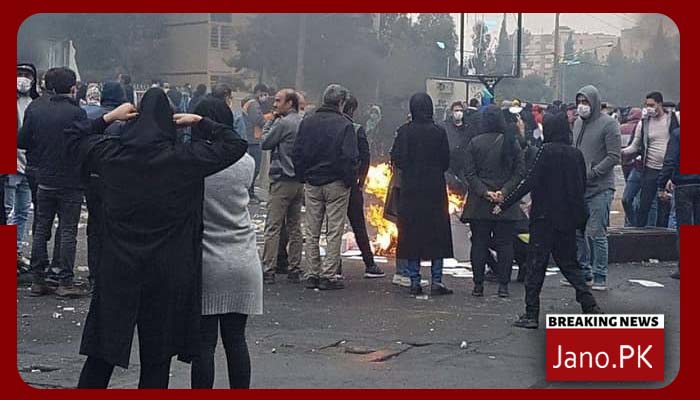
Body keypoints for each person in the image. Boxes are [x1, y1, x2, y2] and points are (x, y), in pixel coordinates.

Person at [69, 88, 248, 389]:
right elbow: (235, 145)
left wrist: (108, 118)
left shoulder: (110, 155)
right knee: (156, 358)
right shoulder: (184, 159)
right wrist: (200, 122)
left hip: (118, 267)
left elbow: (72, 139)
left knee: (102, 352)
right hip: (167, 269)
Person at [494, 113, 603, 329]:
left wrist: (505, 203)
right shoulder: (575, 154)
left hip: (544, 219)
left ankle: (531, 313)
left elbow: (529, 182)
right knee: (570, 264)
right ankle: (589, 304)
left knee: (536, 266)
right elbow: (581, 185)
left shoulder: (545, 152)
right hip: (567, 219)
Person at [189, 96, 262, 389]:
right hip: (243, 259)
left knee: (204, 344)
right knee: (236, 340)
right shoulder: (246, 163)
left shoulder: (194, 162)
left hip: (207, 263)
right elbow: (235, 144)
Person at [18, 67, 89, 299]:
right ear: (72, 88)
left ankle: (38, 280)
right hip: (70, 179)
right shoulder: (76, 113)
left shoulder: (35, 108)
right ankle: (64, 280)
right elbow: (83, 143)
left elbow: (22, 140)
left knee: (41, 228)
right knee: (68, 230)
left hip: (43, 177)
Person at [292, 84, 358, 290]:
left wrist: (303, 176)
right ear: (341, 102)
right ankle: (328, 274)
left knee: (312, 230)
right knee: (334, 230)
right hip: (336, 183)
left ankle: (312, 272)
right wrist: (348, 180)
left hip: (312, 181)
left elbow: (297, 152)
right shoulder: (345, 125)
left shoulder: (308, 122)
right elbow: (349, 157)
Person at [391, 93, 454, 296]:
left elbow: (397, 159)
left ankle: (414, 280)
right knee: (437, 233)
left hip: (411, 189)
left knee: (411, 234)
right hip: (434, 189)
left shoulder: (404, 132)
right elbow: (446, 161)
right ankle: (437, 280)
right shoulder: (439, 132)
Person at [461, 105, 525, 298]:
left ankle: (478, 285)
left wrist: (484, 192)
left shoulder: (475, 143)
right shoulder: (511, 141)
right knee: (505, 244)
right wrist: (503, 192)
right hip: (505, 203)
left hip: (479, 203)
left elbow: (469, 173)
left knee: (479, 244)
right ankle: (503, 286)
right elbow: (519, 172)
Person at [572, 85, 621, 291]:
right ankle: (583, 272)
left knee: (595, 233)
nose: (582, 106)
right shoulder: (577, 123)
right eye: (579, 102)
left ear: (594, 102)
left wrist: (593, 173)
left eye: (585, 102)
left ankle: (600, 275)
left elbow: (614, 156)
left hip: (600, 188)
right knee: (577, 232)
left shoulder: (609, 124)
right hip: (579, 187)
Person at [82, 82, 128, 290]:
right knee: (118, 228)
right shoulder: (126, 120)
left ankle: (95, 274)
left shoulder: (90, 116)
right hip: (118, 181)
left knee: (95, 227)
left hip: (92, 179)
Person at [260, 89, 304, 284]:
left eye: (279, 101)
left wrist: (270, 121)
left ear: (290, 103)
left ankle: (268, 269)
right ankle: (295, 268)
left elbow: (265, 142)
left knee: (273, 226)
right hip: (299, 181)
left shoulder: (282, 123)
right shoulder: (303, 122)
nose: (275, 104)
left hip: (282, 180)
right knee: (295, 226)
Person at [342, 95, 385, 278]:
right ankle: (369, 263)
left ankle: (332, 267)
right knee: (358, 225)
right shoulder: (356, 129)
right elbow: (365, 157)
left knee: (332, 227)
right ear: (353, 110)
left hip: (330, 182)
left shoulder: (327, 126)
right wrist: (360, 180)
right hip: (351, 184)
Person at [622, 92, 679, 228]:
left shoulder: (672, 119)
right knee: (644, 205)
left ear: (660, 104)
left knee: (665, 207)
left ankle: (664, 234)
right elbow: (635, 145)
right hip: (650, 169)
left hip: (668, 170)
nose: (649, 108)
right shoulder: (644, 123)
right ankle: (641, 231)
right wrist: (621, 152)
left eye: (652, 105)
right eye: (647, 105)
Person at [10, 63, 40, 270]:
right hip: (10, 164)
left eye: (26, 75)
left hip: (29, 164)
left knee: (22, 211)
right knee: (7, 210)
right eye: (18, 74)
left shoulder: (35, 103)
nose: (22, 79)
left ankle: (16, 251)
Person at [658, 127, 694, 280]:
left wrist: (661, 184)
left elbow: (670, 160)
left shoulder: (678, 134)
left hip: (684, 185)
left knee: (685, 228)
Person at [243, 84, 271, 202]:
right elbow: (258, 120)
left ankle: (249, 192)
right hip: (253, 139)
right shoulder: (254, 104)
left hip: (251, 138)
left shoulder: (250, 102)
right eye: (264, 94)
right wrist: (270, 118)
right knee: (255, 167)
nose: (265, 97)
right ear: (258, 92)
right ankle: (249, 192)